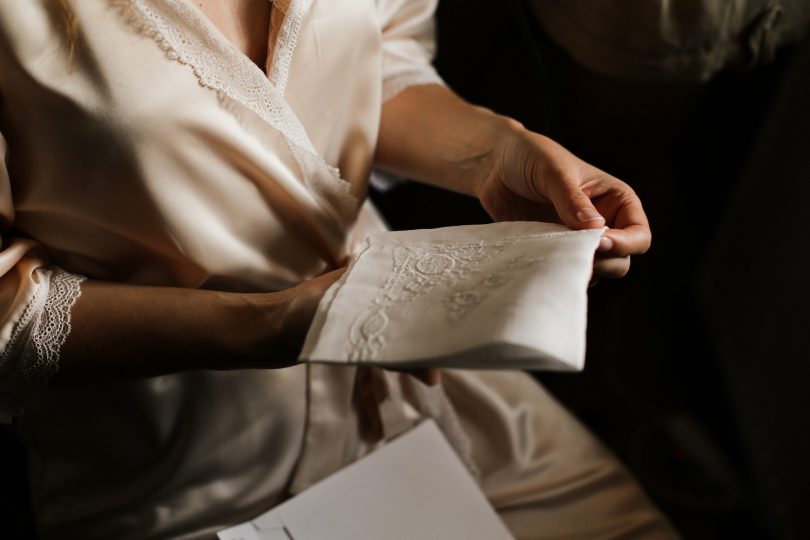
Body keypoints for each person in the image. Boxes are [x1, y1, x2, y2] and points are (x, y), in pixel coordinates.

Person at [0, 1, 677, 538]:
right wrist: (281, 323)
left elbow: (380, 59)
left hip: (419, 372)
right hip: (177, 463)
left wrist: (497, 153)